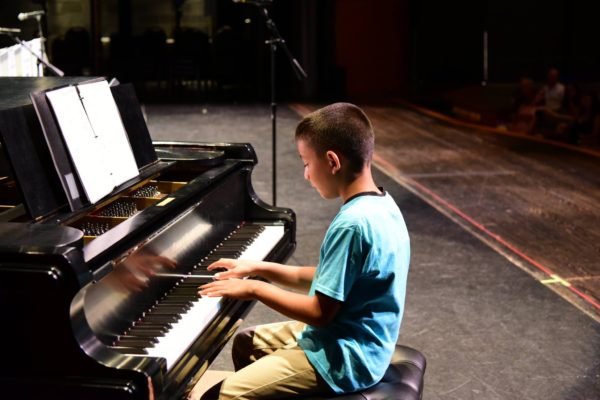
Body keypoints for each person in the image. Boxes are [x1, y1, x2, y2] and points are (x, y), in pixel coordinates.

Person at [190, 103, 411, 399]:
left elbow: (320, 313)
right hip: (361, 340)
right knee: (246, 343)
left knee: (225, 394)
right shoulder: (382, 204)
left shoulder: (352, 225)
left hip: (346, 357)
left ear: (332, 161)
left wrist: (254, 289)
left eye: (307, 163)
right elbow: (328, 278)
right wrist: (258, 267)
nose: (306, 174)